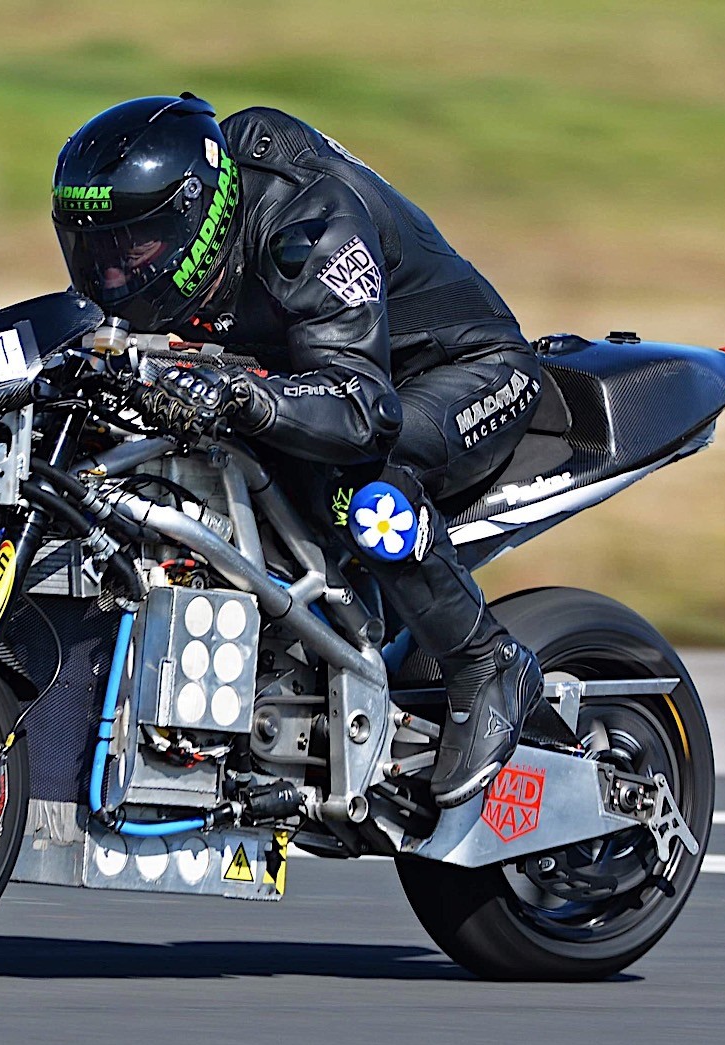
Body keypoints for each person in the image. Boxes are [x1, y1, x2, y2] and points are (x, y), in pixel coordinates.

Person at [51, 94, 544, 807]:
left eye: (135, 247)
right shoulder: (162, 256)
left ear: (198, 216)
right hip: (306, 374)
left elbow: (361, 410)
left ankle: (485, 663)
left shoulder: (306, 221)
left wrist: (244, 397)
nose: (114, 273)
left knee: (365, 496)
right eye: (95, 248)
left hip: (450, 372)